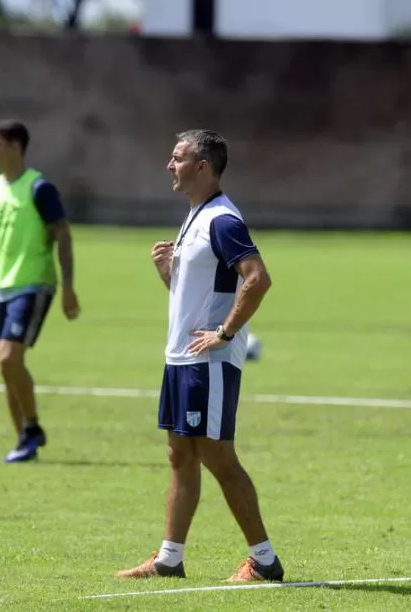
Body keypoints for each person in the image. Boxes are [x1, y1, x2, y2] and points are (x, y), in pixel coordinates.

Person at [116, 129, 283, 582]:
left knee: (218, 458)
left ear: (202, 166)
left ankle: (264, 561)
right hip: (179, 359)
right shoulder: (196, 215)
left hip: (206, 363)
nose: (169, 165)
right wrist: (168, 272)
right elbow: (196, 294)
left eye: (177, 158)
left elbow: (258, 278)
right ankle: (170, 557)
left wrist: (225, 333)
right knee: (179, 454)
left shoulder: (222, 220)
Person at [0, 119, 80, 463]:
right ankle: (24, 440)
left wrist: (68, 288)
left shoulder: (39, 189)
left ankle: (33, 426)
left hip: (35, 284)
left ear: (15, 148)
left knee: (9, 357)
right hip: (2, 287)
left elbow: (63, 236)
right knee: (6, 366)